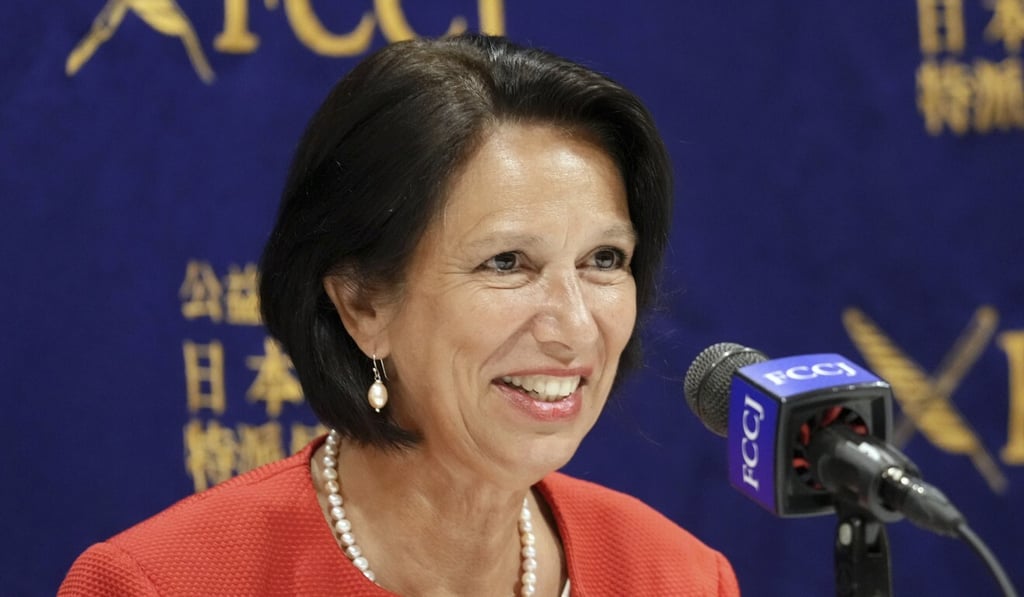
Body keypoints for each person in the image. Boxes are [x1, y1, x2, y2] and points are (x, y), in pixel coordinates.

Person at [59, 34, 740, 596]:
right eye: (507, 262)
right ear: (362, 303)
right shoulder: (158, 584)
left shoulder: (677, 576)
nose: (576, 327)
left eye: (603, 259)